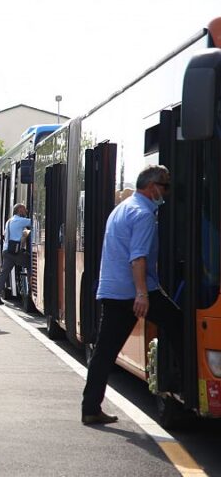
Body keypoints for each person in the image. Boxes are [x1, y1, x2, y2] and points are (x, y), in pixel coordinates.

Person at [81, 165, 182, 425]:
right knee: (179, 324)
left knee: (104, 352)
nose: (167, 193)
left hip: (113, 290)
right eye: (166, 187)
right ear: (153, 188)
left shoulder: (122, 209)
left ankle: (90, 408)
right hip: (131, 292)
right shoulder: (144, 214)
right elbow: (137, 258)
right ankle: (180, 384)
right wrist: (142, 294)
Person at [0, 203, 32, 305]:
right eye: (24, 210)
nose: (26, 211)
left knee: (4, 273)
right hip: (16, 252)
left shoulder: (9, 221)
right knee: (31, 264)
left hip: (7, 251)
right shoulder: (20, 220)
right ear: (19, 211)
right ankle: (32, 290)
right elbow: (35, 222)